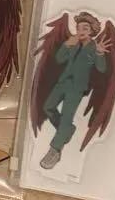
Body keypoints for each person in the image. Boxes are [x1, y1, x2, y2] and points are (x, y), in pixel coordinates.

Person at [39, 13, 109, 169]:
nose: (80, 31)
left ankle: (55, 150)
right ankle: (67, 130)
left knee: (66, 118)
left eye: (85, 28)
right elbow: (59, 59)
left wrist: (100, 53)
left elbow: (101, 68)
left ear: (92, 31)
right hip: (62, 82)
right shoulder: (73, 43)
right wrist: (66, 45)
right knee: (48, 107)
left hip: (76, 88)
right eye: (78, 28)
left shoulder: (94, 47)